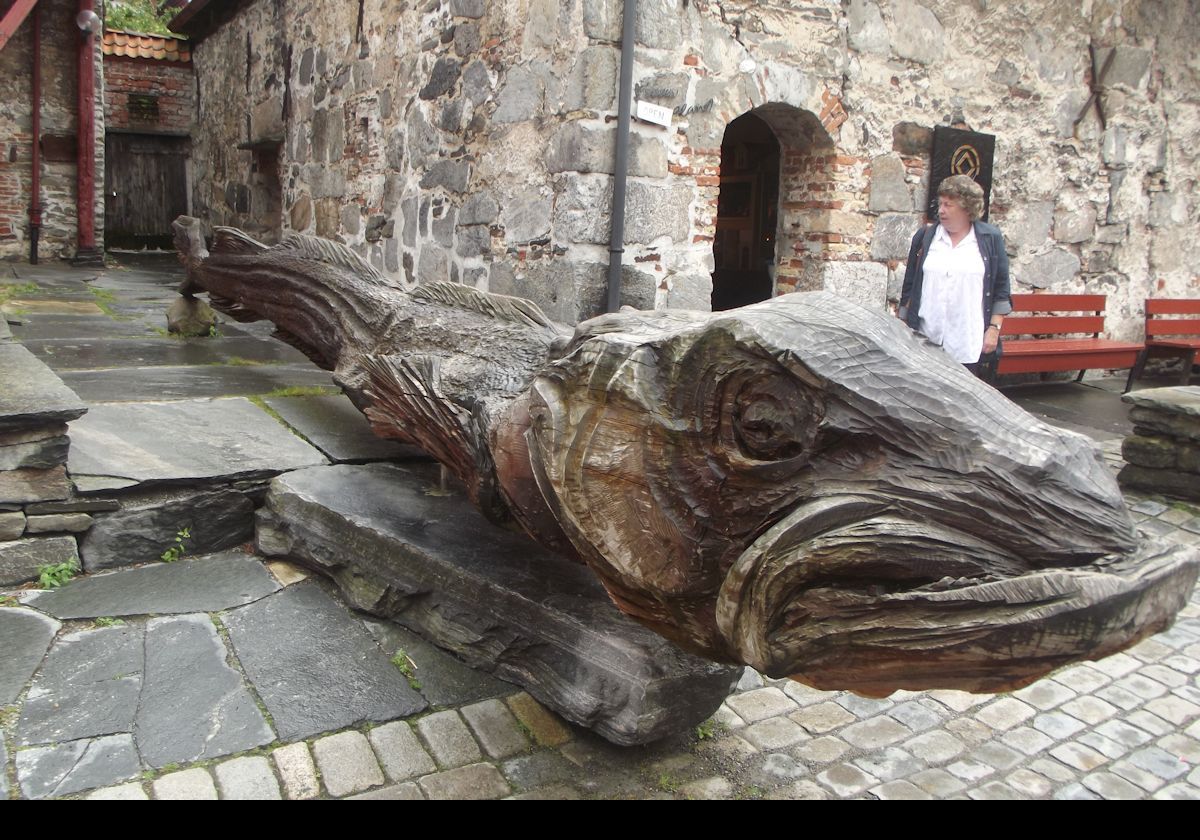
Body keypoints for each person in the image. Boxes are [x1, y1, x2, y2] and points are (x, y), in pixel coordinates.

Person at [898, 174, 1011, 377]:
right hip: (926, 336)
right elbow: (910, 284)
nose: (941, 210)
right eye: (940, 204)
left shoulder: (989, 239)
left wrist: (994, 329)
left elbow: (1001, 289)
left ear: (967, 208)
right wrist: (903, 324)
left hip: (966, 340)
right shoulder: (926, 237)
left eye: (948, 205)